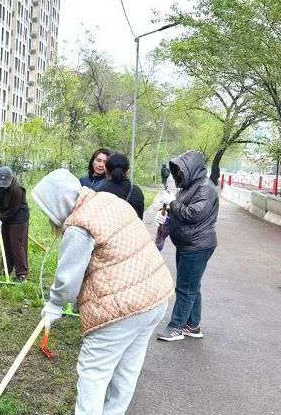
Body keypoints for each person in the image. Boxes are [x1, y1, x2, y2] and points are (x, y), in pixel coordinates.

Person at [31, 168, 174, 415]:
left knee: (93, 374)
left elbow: (68, 279)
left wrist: (55, 304)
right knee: (127, 370)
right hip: (155, 296)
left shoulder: (79, 224)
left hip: (122, 308)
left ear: (58, 203)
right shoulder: (107, 200)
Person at [155, 151, 218, 342]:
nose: (178, 176)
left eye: (180, 171)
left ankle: (176, 327)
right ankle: (192, 325)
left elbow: (192, 215)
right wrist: (165, 215)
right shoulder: (190, 187)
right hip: (187, 243)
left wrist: (172, 202)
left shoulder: (206, 189)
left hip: (197, 245)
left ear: (191, 169)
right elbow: (179, 211)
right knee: (192, 286)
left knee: (185, 288)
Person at [0, 166, 30, 281]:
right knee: (5, 243)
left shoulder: (17, 189)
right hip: (5, 213)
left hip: (18, 216)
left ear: (11, 179)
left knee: (16, 245)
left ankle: (22, 274)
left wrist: (0, 219)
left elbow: (13, 210)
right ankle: (5, 270)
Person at [95, 152, 145, 220]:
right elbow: (140, 218)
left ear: (106, 170)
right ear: (128, 171)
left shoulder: (99, 192)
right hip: (132, 230)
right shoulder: (137, 191)